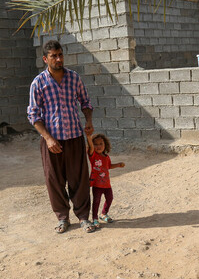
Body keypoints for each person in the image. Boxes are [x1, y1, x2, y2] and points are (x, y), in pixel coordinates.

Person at [27, 40, 96, 234]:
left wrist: (88, 121)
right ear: (45, 59)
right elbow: (33, 115)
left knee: (79, 179)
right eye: (53, 56)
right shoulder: (38, 83)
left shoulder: (74, 78)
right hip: (52, 142)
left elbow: (86, 102)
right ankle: (63, 218)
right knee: (54, 180)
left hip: (74, 137)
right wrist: (48, 138)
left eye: (60, 55)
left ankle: (83, 217)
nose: (58, 59)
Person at [86, 133, 125, 229]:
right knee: (96, 201)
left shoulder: (106, 157)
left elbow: (109, 166)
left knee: (110, 198)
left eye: (101, 144)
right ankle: (95, 218)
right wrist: (88, 137)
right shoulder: (93, 156)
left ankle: (103, 214)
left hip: (107, 184)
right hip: (97, 184)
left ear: (105, 145)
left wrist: (119, 164)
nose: (98, 146)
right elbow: (90, 147)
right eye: (96, 144)